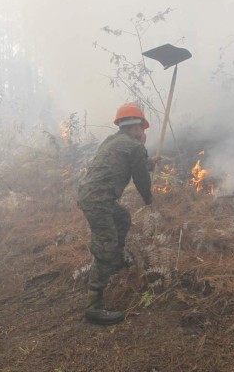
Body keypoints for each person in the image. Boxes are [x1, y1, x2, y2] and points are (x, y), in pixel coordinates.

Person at [77, 103, 157, 325]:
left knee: (122, 217)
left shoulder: (113, 141)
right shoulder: (134, 146)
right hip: (98, 200)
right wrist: (150, 202)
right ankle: (93, 306)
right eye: (143, 129)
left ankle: (117, 261)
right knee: (106, 243)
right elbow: (141, 178)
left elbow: (127, 162)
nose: (144, 133)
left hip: (90, 195)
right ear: (138, 127)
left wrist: (148, 161)